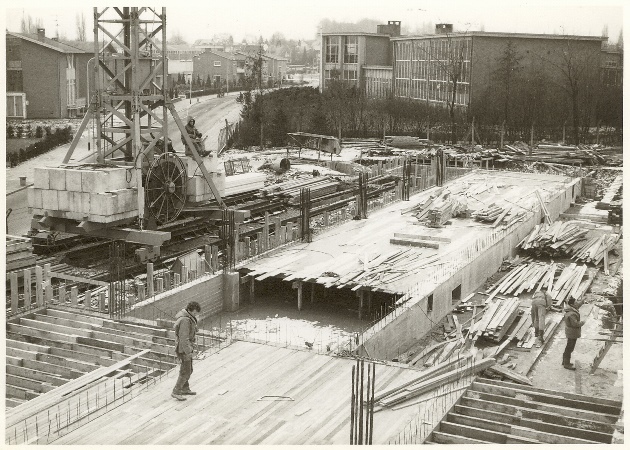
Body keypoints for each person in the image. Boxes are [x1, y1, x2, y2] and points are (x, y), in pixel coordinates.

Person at [172, 301, 201, 400]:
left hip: (186, 348)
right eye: (194, 313)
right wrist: (189, 352)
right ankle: (176, 391)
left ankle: (185, 388)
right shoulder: (185, 321)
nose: (196, 315)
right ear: (189, 310)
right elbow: (184, 338)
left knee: (188, 369)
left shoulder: (188, 318)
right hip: (183, 349)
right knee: (186, 370)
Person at [563, 298, 586, 370]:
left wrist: (583, 300)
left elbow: (578, 304)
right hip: (572, 332)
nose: (577, 303)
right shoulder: (571, 314)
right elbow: (575, 324)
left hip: (571, 332)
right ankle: (566, 364)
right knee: (570, 348)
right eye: (576, 302)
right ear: (572, 304)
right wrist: (582, 322)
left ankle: (565, 361)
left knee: (569, 347)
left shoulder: (571, 309)